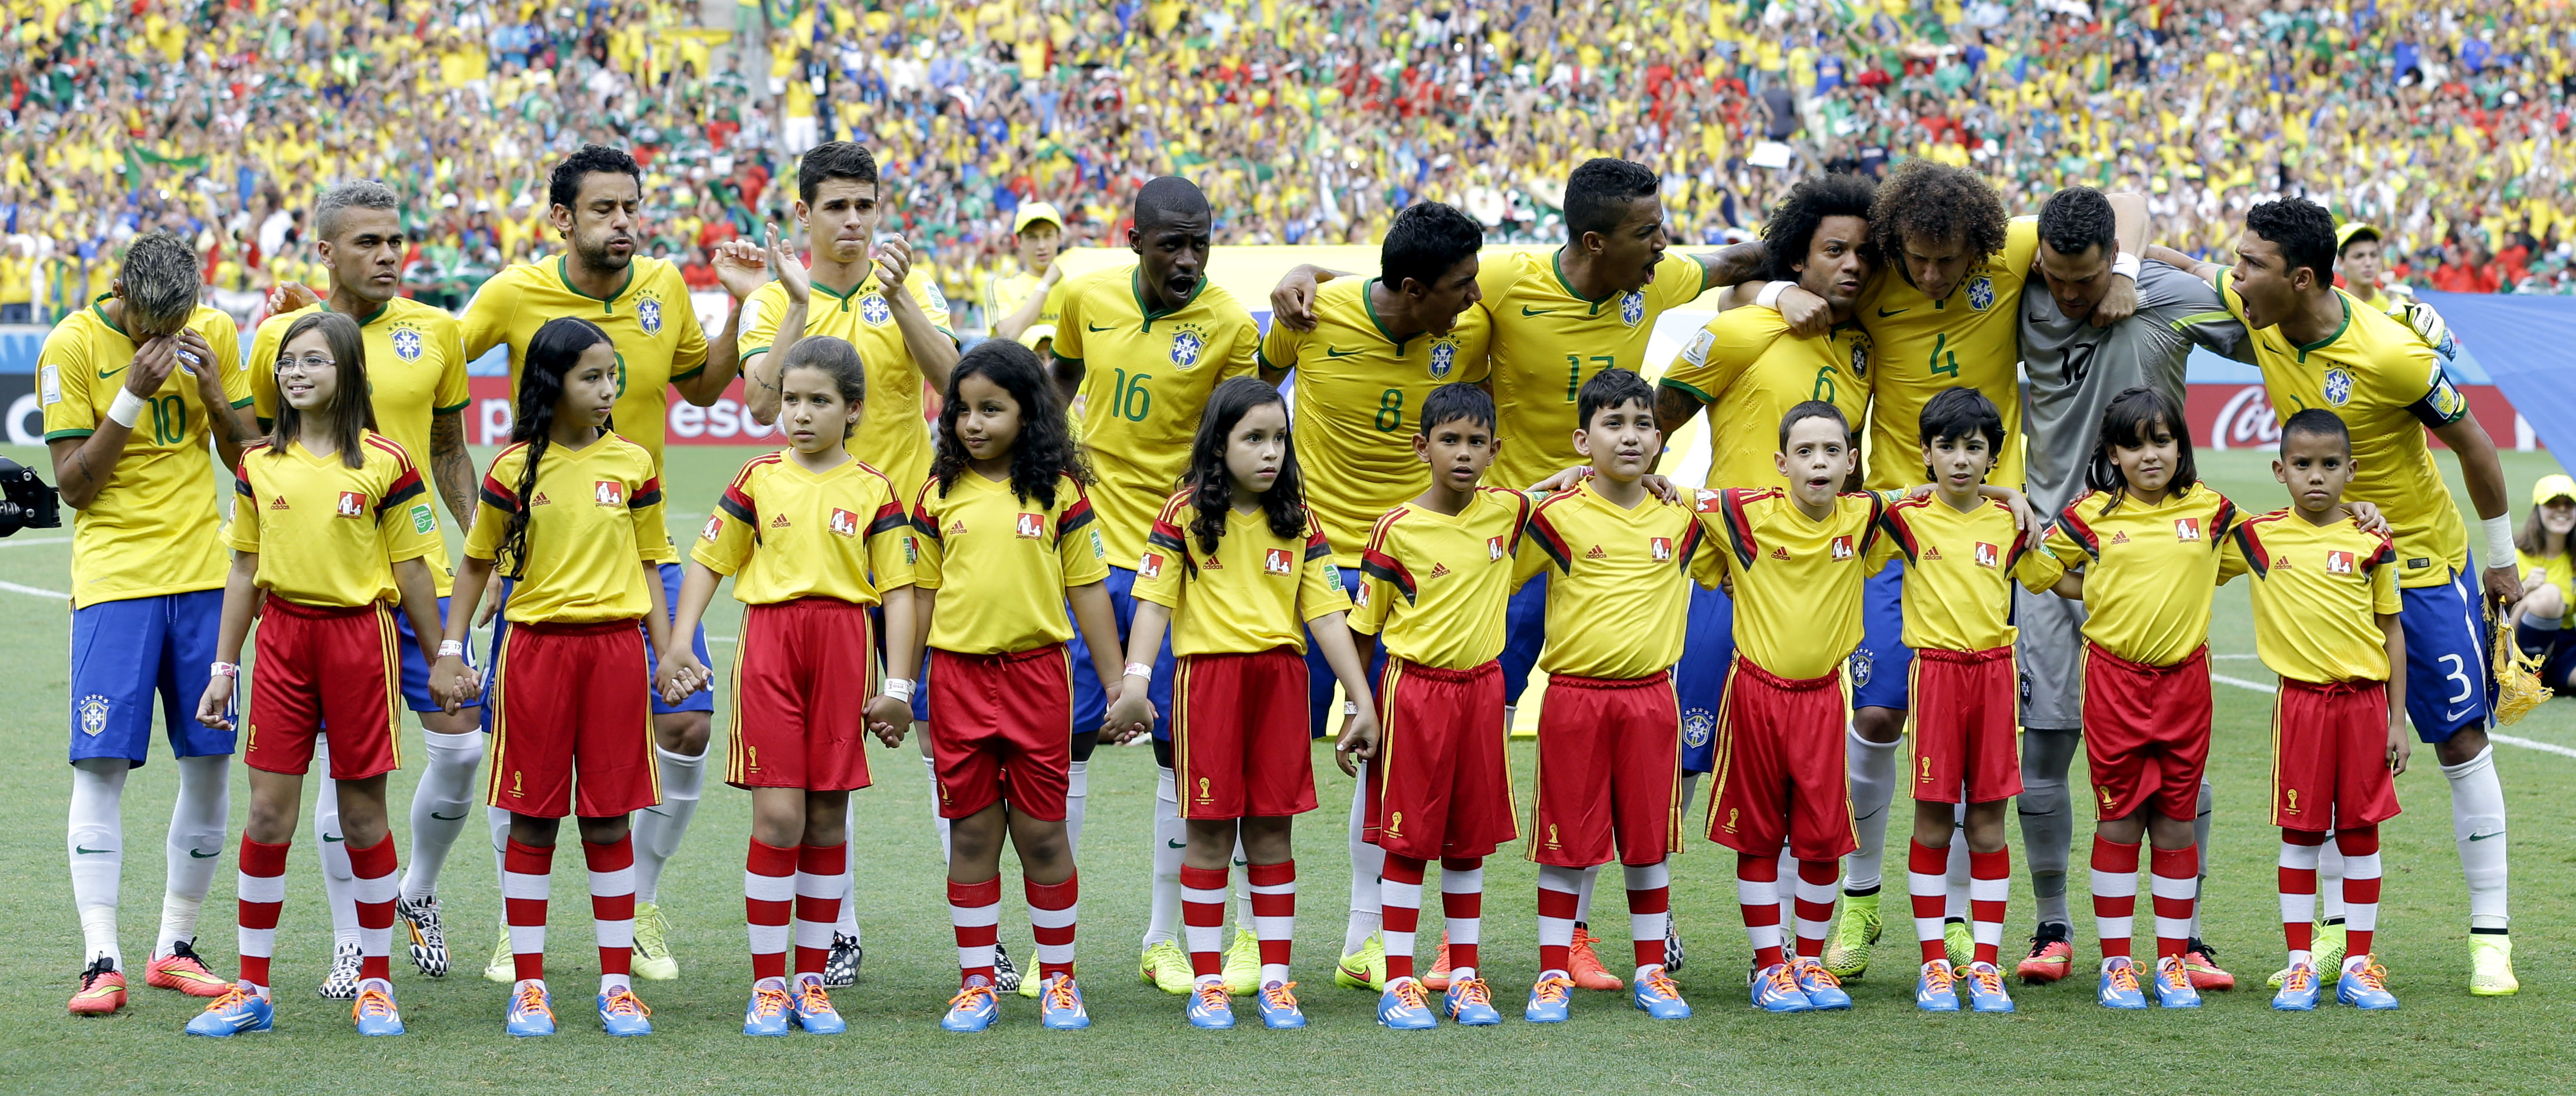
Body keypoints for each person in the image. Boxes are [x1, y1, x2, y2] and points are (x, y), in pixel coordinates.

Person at [1277, 158, 1780, 984]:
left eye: (1661, 229)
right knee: (1444, 728)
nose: (1663, 244)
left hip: (1597, 537)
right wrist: (1307, 270)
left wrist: (1782, 286)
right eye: (1647, 232)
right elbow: (1395, 283)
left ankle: (1577, 934)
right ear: (1594, 241)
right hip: (1501, 542)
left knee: (1594, 723)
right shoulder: (1503, 281)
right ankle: (1428, 939)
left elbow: (1733, 262)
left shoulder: (1654, 278)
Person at [1765, 165, 2147, 982]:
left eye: (1948, 262)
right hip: (1899, 531)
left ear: (1981, 247)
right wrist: (1771, 293)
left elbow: (2126, 207)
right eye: (1917, 261)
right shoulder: (1874, 277)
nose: (1931, 275)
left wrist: (2127, 271)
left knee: (1984, 752)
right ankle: (1861, 903)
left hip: (1990, 533)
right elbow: (1778, 281)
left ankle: (1967, 927)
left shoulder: (2011, 250)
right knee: (1874, 713)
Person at [2156, 195, 2525, 996]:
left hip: (2417, 563)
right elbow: (2188, 271)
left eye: (2251, 264)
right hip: (2323, 567)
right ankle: (2328, 939)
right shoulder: (2259, 307)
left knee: (2459, 743)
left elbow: (2477, 443)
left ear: (2301, 278)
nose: (2236, 275)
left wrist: (2500, 562)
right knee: (2328, 747)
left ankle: (2490, 935)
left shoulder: (2391, 353)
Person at [461, 143, 753, 985]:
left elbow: (701, 388)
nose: (623, 223)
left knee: (689, 720)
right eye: (604, 210)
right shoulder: (515, 292)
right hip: (546, 547)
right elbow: (442, 359)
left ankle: (641, 907)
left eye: (631, 208)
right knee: (516, 743)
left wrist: (734, 311)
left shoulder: (663, 287)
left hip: (643, 544)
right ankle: (520, 931)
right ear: (562, 218)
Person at [2012, 186, 2254, 988]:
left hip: (2156, 558)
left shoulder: (2157, 294)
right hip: (2058, 553)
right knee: (2045, 742)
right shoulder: (2022, 284)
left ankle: (2184, 936)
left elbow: (2273, 328)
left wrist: (2142, 265)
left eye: (2087, 278)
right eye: (2060, 278)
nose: (2072, 295)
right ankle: (2053, 925)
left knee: (2180, 761)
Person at [732, 142, 960, 986]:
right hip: (820, 555)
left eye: (866, 204)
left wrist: (900, 303)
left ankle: (982, 934)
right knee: (828, 755)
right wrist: (795, 304)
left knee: (947, 734)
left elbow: (956, 380)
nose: (855, 221)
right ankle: (842, 929)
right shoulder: (772, 301)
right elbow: (759, 400)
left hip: (911, 547)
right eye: (837, 206)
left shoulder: (910, 283)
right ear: (805, 215)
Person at [184, 311, 446, 1037]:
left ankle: (376, 984)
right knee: (268, 812)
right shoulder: (256, 464)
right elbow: (243, 569)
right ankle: (252, 988)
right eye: (289, 362)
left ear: (349, 374)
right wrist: (223, 667)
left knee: (363, 814)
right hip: (284, 643)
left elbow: (412, 570)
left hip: (361, 640)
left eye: (314, 362)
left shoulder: (386, 463)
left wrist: (444, 656)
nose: (296, 373)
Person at [1250, 199, 1490, 996]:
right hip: (1309, 568)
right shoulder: (1316, 316)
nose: (1474, 295)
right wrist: (1301, 276)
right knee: (1272, 756)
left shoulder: (1469, 328)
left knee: (1388, 757)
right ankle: (1255, 935)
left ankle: (1363, 940)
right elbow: (1257, 396)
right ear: (1414, 287)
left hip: (1410, 571)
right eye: (1461, 284)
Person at [249, 180, 482, 990]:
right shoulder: (282, 335)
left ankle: (414, 888)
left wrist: (490, 542)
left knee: (463, 748)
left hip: (421, 579)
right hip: (328, 593)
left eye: (395, 241)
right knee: (335, 774)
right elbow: (261, 452)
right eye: (367, 244)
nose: (387, 256)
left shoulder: (438, 330)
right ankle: (353, 940)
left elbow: (450, 449)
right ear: (327, 252)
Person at [432, 316, 683, 1038]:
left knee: (608, 818)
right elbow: (477, 561)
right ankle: (532, 987)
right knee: (534, 818)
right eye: (591, 377)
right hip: (534, 653)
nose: (607, 390)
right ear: (553, 383)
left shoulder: (634, 464)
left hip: (614, 655)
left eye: (613, 377)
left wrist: (665, 653)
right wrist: (453, 647)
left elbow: (651, 561)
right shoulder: (515, 468)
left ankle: (614, 985)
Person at [656, 337, 915, 1036]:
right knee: (778, 819)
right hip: (770, 648)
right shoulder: (756, 477)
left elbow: (898, 591)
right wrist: (680, 640)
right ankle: (768, 984)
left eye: (818, 401)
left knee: (827, 816)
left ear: (853, 409)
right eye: (792, 400)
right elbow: (709, 563)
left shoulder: (873, 490)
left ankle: (811, 980)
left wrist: (899, 685)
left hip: (841, 650)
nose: (799, 414)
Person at [1654, 173, 1878, 973]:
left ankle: (1787, 945)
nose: (1852, 265)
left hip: (1809, 586)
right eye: (1833, 250)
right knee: (1685, 754)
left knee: (1799, 772)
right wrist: (1771, 290)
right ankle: (1658, 917)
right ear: (1799, 255)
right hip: (1727, 570)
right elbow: (1654, 422)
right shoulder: (1748, 328)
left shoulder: (1862, 345)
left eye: (1862, 251)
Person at [1106, 377, 1378, 1031]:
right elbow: (1154, 603)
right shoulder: (1185, 513)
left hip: (1281, 686)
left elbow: (1329, 616)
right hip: (1209, 687)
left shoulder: (1299, 522)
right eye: (1253, 437)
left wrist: (1360, 699)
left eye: (1279, 438)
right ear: (1217, 442)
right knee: (1207, 833)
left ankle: (1277, 982)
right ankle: (1209, 983)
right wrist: (1137, 682)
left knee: (1271, 834)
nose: (1269, 452)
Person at [1048, 177, 1260, 989]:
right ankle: (1051, 945)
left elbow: (1240, 433)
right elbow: (1057, 385)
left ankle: (1161, 935)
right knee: (1068, 747)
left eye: (1200, 242)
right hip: (1086, 559)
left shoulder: (1230, 325)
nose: (1187, 258)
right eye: (1170, 243)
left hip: (1179, 561)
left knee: (1184, 754)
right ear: (1133, 239)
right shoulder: (1083, 295)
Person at [44, 230, 252, 1015]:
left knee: (209, 760)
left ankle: (176, 945)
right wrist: (131, 392)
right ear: (122, 295)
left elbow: (248, 460)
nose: (160, 343)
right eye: (146, 329)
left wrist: (218, 405)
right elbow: (73, 488)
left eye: (176, 326)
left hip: (208, 582)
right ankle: (102, 958)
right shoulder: (73, 343)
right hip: (115, 582)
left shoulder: (218, 334)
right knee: (100, 766)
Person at [897, 340, 1126, 1033]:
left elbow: (1088, 590)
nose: (972, 423)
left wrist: (1120, 686)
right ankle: (977, 984)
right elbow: (922, 596)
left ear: (1028, 413)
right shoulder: (937, 494)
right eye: (962, 410)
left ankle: (1059, 979)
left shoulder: (1059, 492)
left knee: (1043, 834)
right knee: (970, 833)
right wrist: (902, 683)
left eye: (991, 409)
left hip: (1036, 678)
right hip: (958, 680)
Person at [1514, 369, 1714, 1025]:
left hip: (1652, 700)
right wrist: (1540, 487)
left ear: (1660, 439)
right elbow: (1484, 542)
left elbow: (1766, 514)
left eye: (1643, 425)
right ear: (1583, 438)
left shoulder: (1683, 517)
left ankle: (1652, 972)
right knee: (1564, 844)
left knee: (1647, 845)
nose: (1630, 437)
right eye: (1614, 423)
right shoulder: (1556, 516)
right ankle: (1551, 973)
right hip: (1574, 701)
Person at [2038, 386, 2244, 1010]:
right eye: (2134, 443)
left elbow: (2259, 556)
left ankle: (2174, 962)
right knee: (2121, 816)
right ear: (2113, 452)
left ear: (2180, 445)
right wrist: (2098, 584)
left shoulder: (2212, 512)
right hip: (2114, 683)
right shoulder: (2091, 514)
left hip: (2185, 684)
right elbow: (2043, 568)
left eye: (2162, 440)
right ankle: (2119, 963)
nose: (2150, 454)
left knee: (2178, 820)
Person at [1693, 401, 1894, 1014]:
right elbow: (1672, 497)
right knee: (1759, 837)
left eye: (1832, 451)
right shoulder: (1743, 513)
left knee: (1820, 839)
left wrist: (2002, 490)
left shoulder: (1866, 518)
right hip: (1755, 696)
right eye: (1804, 452)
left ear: (1852, 461)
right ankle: (1768, 966)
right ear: (1781, 462)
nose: (1819, 462)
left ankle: (1809, 961)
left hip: (1822, 701)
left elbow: (1939, 496)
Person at [1342, 382, 1528, 1031]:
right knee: (1408, 840)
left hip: (1482, 692)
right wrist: (1353, 709)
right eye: (1450, 440)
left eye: (1477, 442)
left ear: (1495, 450)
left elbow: (1567, 493)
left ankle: (1466, 978)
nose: (1464, 453)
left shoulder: (1508, 512)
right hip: (1413, 694)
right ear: (1423, 447)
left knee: (1467, 842)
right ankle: (1399, 981)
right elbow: (1362, 630)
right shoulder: (1396, 529)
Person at [1877, 388, 2065, 1014]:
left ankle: (1985, 965)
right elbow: (1840, 521)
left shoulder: (2010, 525)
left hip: (1993, 678)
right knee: (1932, 821)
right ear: (1926, 454)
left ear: (1993, 456)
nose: (1960, 459)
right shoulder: (1904, 517)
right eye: (1948, 447)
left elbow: (2061, 576)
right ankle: (1935, 964)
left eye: (1974, 448)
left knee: (1987, 824)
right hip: (1934, 676)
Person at [2229, 409, 2406, 1012]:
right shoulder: (2258, 537)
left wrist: (2397, 718)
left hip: (2363, 706)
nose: (2316, 476)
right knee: (2301, 833)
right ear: (2280, 470)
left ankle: (2358, 963)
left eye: (2330, 465)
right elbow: (2186, 548)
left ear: (2351, 470)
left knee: (2360, 831)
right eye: (2302, 464)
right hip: (2301, 705)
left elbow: (2392, 631)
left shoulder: (2371, 541)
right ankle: (2300, 963)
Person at [2509, 474, 2576, 692]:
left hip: (2565, 645)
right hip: (2517, 646)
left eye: (2569, 504)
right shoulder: (2514, 556)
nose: (2562, 510)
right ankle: (2525, 676)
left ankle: (2550, 679)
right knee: (2549, 596)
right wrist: (2525, 590)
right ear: (2537, 510)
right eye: (2552, 503)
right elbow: (2493, 618)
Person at [985, 202, 1065, 348]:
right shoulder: (1000, 286)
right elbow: (1005, 339)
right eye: (1032, 237)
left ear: (1059, 238)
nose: (1041, 246)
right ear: (1019, 242)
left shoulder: (1075, 284)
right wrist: (1045, 283)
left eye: (1048, 236)